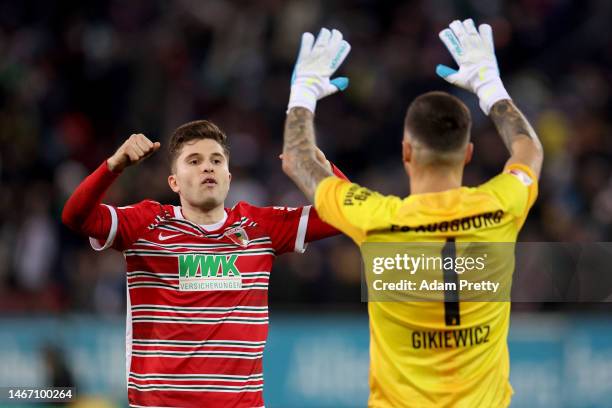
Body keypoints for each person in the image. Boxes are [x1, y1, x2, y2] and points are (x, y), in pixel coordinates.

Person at [282, 20, 543, 407]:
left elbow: (298, 159)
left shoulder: (373, 218)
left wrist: (303, 93)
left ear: (405, 152)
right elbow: (529, 151)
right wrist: (492, 89)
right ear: (468, 154)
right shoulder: (502, 205)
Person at [61, 118, 349, 407]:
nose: (207, 167)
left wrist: (324, 173)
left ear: (229, 177)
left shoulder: (260, 227)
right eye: (194, 161)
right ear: (173, 181)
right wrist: (113, 167)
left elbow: (348, 215)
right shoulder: (145, 224)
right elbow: (75, 216)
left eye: (216, 160)